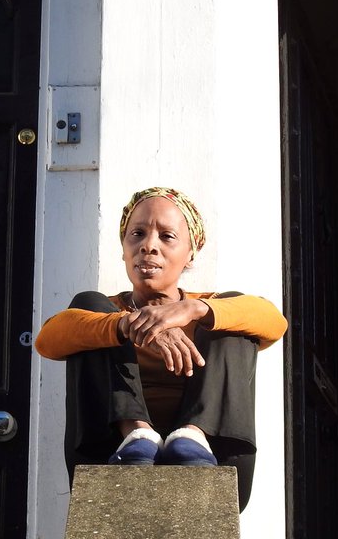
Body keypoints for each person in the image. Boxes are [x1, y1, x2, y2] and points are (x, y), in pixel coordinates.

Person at [35, 187, 287, 507]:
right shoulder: (106, 310)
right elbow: (48, 340)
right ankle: (136, 436)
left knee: (228, 317)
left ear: (190, 252)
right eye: (137, 234)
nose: (148, 247)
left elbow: (274, 321)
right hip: (112, 459)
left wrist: (196, 311)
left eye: (166, 237)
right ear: (124, 248)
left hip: (212, 461)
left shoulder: (205, 307)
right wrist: (127, 325)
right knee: (90, 311)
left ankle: (193, 437)